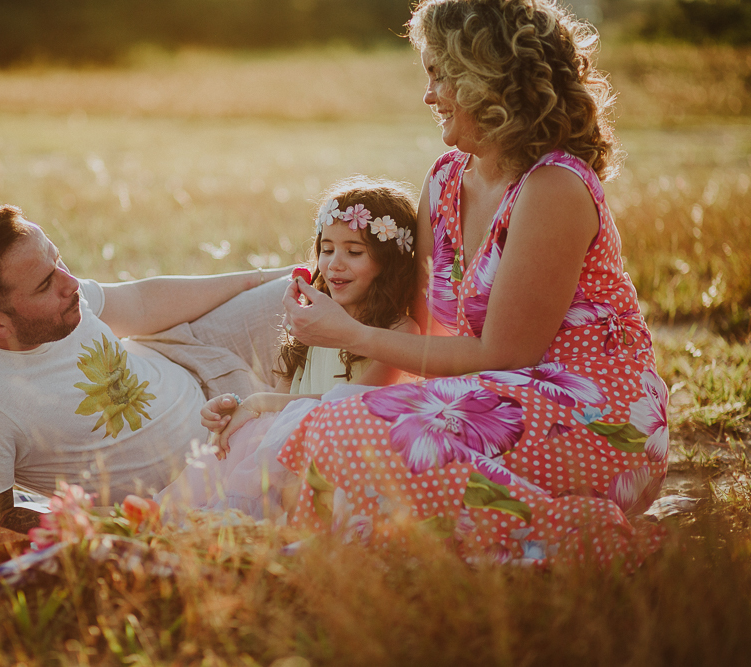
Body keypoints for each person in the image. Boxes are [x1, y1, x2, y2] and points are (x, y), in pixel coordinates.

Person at [277, 0, 669, 570]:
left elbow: (504, 353)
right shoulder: (443, 182)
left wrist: (350, 339)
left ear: (486, 81)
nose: (428, 95)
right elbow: (427, 344)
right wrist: (329, 401)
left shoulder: (552, 187)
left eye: (439, 75)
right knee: (329, 429)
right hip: (492, 402)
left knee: (346, 433)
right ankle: (416, 542)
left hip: (596, 417)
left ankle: (589, 538)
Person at [0, 204, 291, 527]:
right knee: (316, 440)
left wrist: (257, 280)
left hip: (196, 356)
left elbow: (140, 304)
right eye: (45, 284)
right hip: (207, 468)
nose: (71, 283)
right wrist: (137, 520)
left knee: (310, 289)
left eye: (57, 258)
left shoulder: (54, 296)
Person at [156, 177, 420, 520]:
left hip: (339, 463)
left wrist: (258, 404)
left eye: (354, 252)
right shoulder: (308, 322)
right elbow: (278, 405)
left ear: (389, 261)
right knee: (195, 504)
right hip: (282, 455)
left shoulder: (398, 331)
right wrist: (236, 410)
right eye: (326, 249)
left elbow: (353, 408)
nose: (334, 264)